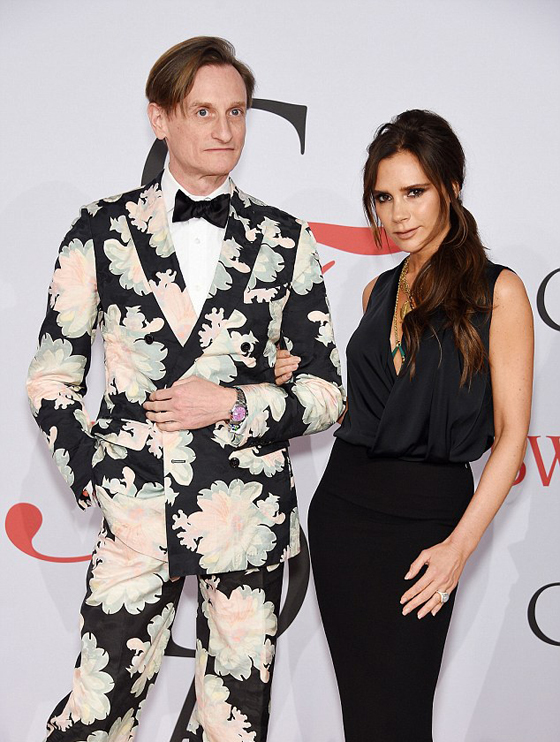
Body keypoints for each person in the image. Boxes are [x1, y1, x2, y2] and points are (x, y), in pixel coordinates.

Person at [27, 36, 344, 742]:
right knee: (95, 714)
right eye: (203, 111)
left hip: (246, 519)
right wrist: (95, 473)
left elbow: (326, 392)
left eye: (236, 112)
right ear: (160, 117)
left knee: (234, 727)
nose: (224, 130)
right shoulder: (100, 229)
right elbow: (51, 376)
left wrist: (233, 403)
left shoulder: (285, 238)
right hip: (135, 514)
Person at [275, 109, 533, 741]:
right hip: (343, 514)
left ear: (451, 186)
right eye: (383, 198)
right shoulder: (377, 292)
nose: (397, 214)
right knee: (365, 717)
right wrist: (302, 377)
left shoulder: (498, 293)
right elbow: (370, 408)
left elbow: (510, 440)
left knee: (402, 717)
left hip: (429, 523)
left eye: (414, 192)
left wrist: (458, 548)